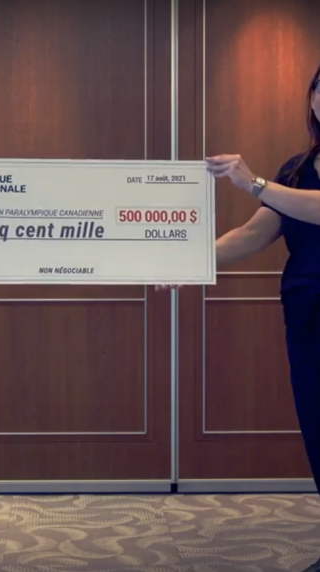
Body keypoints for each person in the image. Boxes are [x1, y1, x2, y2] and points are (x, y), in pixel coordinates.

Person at [202, 65, 320, 572]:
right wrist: (183, 261)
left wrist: (253, 182)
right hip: (308, 321)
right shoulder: (296, 168)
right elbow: (251, 236)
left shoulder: (276, 182)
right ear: (313, 102)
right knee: (319, 432)